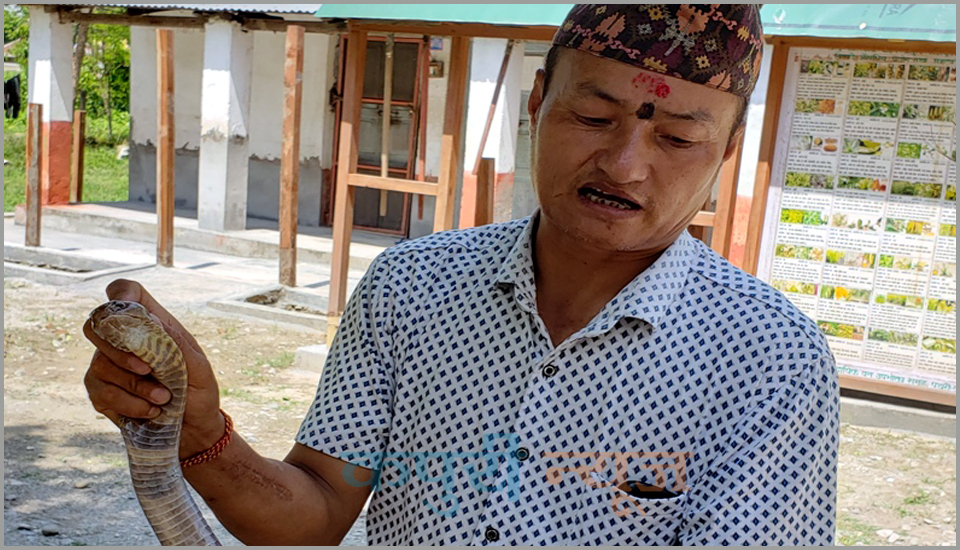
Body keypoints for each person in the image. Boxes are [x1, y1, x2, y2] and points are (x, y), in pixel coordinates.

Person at [84, 4, 839, 546]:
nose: (625, 165)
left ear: (727, 151)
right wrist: (201, 432)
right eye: (593, 118)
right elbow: (317, 511)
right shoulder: (411, 287)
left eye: (676, 137)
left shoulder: (771, 361)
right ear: (537, 101)